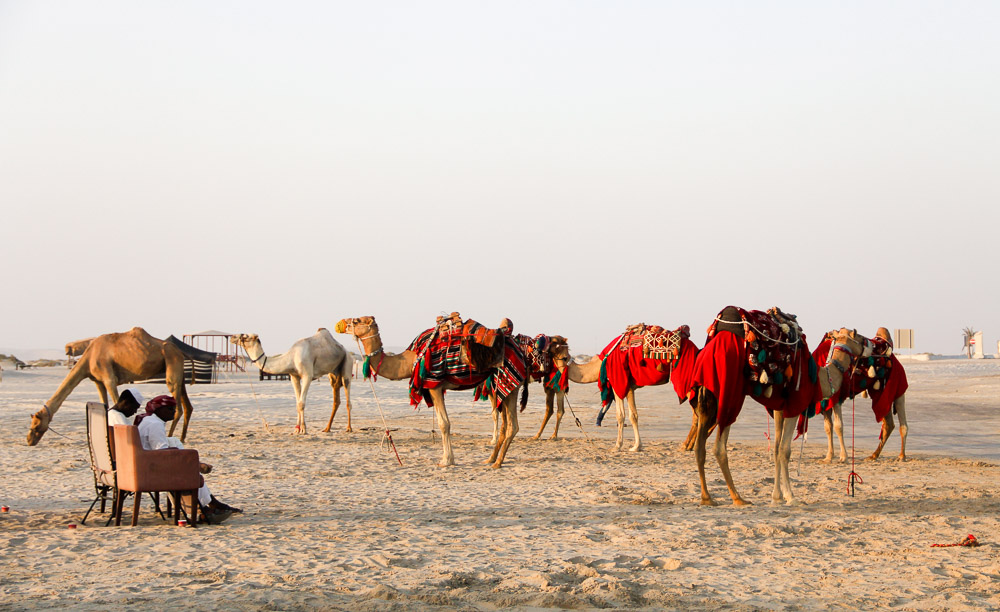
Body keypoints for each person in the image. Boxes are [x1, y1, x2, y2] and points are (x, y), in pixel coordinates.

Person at [135, 395, 241, 523]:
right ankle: (203, 509)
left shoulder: (148, 420)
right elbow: (161, 453)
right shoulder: (155, 425)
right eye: (170, 409)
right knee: (189, 470)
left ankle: (205, 506)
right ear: (159, 410)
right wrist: (185, 459)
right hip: (151, 469)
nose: (174, 412)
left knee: (180, 452)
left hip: (146, 463)